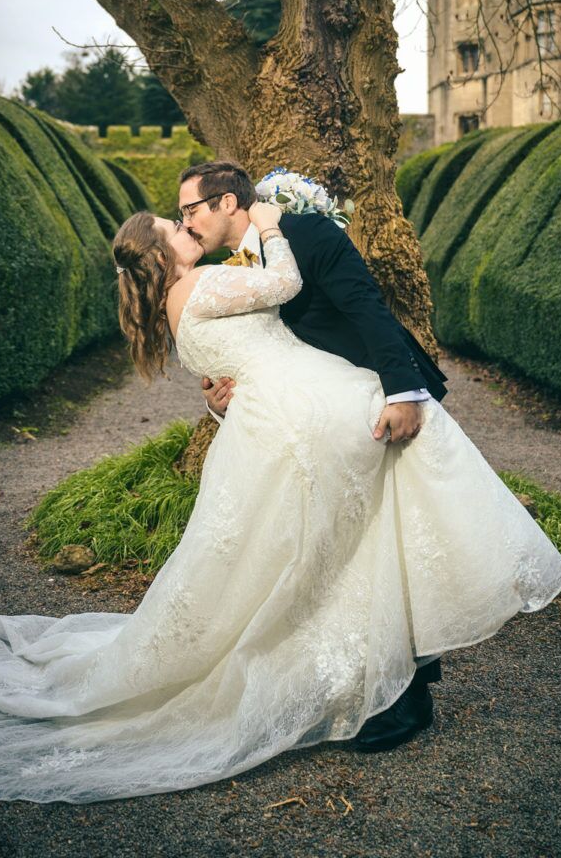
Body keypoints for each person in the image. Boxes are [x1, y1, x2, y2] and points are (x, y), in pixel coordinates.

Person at [0, 191, 561, 804]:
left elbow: (230, 377)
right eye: (175, 228)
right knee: (383, 507)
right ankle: (408, 656)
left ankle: (389, 680)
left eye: (186, 215)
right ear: (161, 256)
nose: (186, 227)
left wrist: (219, 401)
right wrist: (270, 226)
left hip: (266, 428)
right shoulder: (201, 282)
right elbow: (283, 285)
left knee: (319, 553)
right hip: (309, 411)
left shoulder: (174, 310)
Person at [178, 161, 449, 753]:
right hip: (317, 426)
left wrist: (403, 392)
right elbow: (260, 359)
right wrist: (221, 402)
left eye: (190, 209)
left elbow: (368, 308)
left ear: (227, 202)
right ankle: (385, 686)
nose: (186, 222)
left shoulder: (307, 233)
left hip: (376, 404)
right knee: (358, 553)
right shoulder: (232, 269)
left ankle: (406, 698)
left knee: (389, 546)